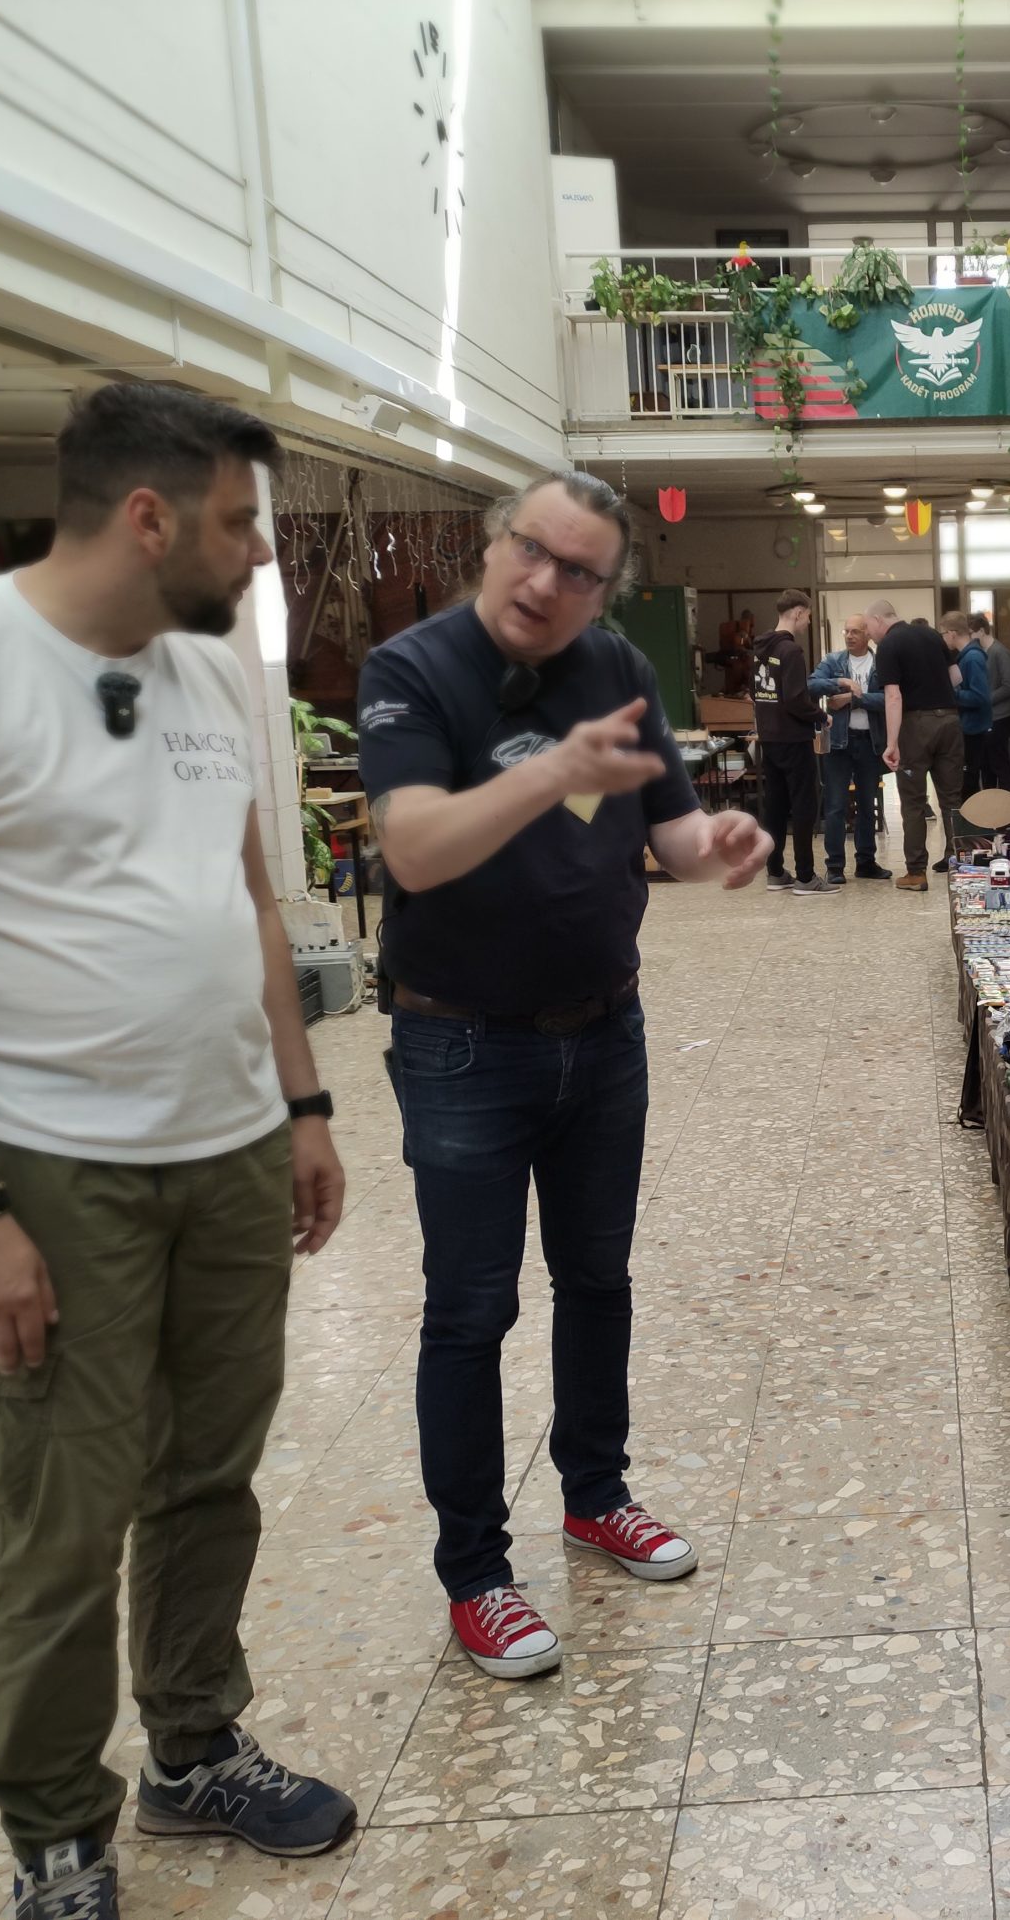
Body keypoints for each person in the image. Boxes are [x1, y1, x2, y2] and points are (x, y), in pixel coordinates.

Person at [0, 383, 358, 1920]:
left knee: (210, 1473)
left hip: (229, 1150)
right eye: (241, 521)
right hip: (54, 1171)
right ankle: (57, 1831)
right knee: (64, 1510)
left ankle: (194, 1742)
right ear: (148, 517)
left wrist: (303, 1107)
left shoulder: (202, 675)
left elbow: (248, 905)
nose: (261, 552)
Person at [358, 470, 769, 1685]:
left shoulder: (617, 670)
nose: (544, 581)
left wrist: (719, 845)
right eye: (530, 549)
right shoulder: (413, 670)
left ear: (606, 590)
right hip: (461, 1042)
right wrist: (552, 767)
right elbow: (414, 847)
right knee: (469, 1309)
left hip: (604, 1029)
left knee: (597, 1279)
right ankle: (476, 1570)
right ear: (494, 542)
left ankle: (595, 1493)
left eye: (578, 570)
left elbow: (670, 834)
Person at [878, 605, 966, 891]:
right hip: (949, 721)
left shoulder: (889, 644)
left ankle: (916, 872)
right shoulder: (931, 635)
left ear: (878, 620)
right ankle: (959, 864)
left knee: (914, 801)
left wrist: (891, 743)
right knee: (952, 798)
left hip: (916, 726)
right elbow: (957, 678)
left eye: (868, 627)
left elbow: (893, 697)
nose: (870, 633)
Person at [751, 588, 830, 893]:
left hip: (769, 738)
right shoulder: (791, 651)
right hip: (794, 739)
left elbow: (756, 693)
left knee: (775, 806)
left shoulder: (759, 649)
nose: (807, 622)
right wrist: (821, 716)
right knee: (804, 805)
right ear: (797, 613)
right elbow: (796, 699)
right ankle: (806, 877)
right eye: (808, 616)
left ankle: (774, 871)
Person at [807, 612, 890, 880]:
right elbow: (810, 685)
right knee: (835, 805)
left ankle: (866, 862)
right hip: (838, 744)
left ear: (867, 634)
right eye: (847, 631)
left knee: (867, 805)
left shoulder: (880, 664)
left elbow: (889, 699)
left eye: (855, 631)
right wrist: (840, 682)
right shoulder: (834, 661)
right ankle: (834, 866)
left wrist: (854, 700)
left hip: (870, 742)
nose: (850, 636)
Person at [975, 611, 1010, 788]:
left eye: (970, 632)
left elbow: (1009, 686)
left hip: (1000, 716)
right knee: (986, 764)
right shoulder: (980, 652)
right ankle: (990, 799)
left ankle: (1007, 799)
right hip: (986, 716)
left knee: (999, 762)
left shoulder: (1000, 652)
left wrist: (985, 699)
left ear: (981, 631)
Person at [955, 613, 997, 797]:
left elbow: (979, 696)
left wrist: (953, 694)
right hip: (970, 727)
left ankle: (974, 815)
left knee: (970, 781)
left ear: (952, 633)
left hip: (973, 729)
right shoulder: (966, 657)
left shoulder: (972, 658)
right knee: (970, 780)